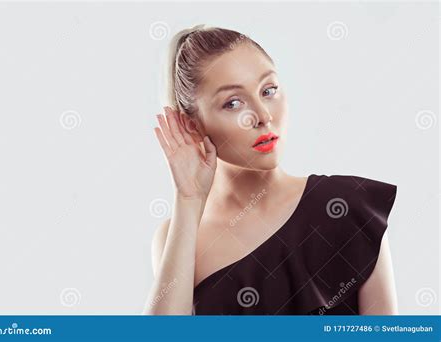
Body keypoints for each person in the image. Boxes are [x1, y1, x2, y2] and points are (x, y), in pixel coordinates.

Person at [142, 25, 398, 315]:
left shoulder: (349, 206)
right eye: (233, 103)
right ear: (191, 124)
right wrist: (188, 200)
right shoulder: (178, 236)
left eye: (268, 90)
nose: (262, 116)